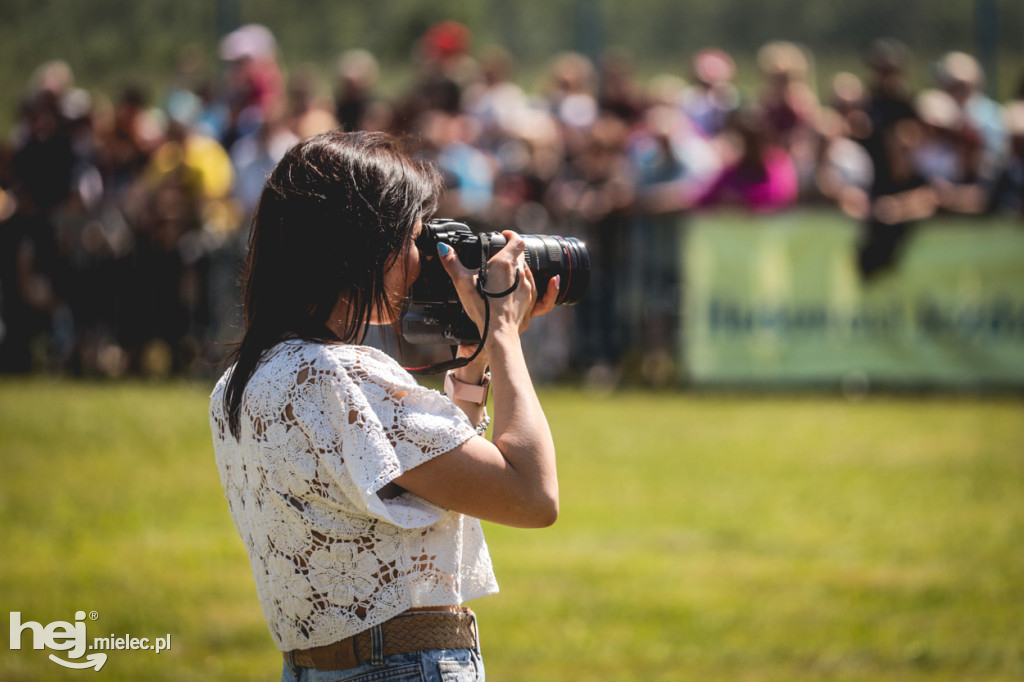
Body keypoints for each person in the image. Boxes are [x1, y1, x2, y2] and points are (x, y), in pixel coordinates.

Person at [209, 130, 560, 681]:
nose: (422, 264)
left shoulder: (247, 380)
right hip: (400, 666)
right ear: (362, 246)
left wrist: (472, 364)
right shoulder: (340, 374)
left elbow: (426, 486)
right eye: (413, 241)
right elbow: (532, 496)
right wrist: (507, 333)